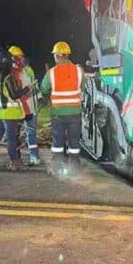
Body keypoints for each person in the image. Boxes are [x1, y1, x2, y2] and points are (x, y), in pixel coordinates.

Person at [40, 41, 83, 175]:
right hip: (75, 113)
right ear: (67, 55)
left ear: (58, 55)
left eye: (54, 55)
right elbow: (82, 85)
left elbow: (43, 89)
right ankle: (74, 169)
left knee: (58, 142)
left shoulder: (51, 73)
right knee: (74, 142)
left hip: (58, 114)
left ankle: (57, 168)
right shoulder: (78, 70)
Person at [0, 51, 30, 171]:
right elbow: (14, 95)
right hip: (9, 113)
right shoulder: (8, 77)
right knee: (12, 139)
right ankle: (15, 163)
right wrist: (26, 89)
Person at [8, 45, 41, 165]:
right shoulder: (10, 74)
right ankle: (17, 159)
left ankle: (34, 157)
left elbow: (33, 84)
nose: (22, 59)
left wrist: (39, 95)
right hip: (19, 109)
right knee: (16, 135)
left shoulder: (27, 70)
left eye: (21, 57)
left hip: (30, 107)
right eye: (19, 57)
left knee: (31, 134)